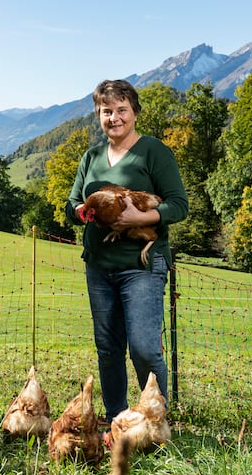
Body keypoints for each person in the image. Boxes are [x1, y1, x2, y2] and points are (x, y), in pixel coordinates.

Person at [66, 79, 188, 427]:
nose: (114, 117)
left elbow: (179, 205)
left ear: (134, 112)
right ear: (98, 115)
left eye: (122, 109)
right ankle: (116, 418)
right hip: (99, 265)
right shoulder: (90, 157)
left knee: (145, 347)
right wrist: (81, 211)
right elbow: (72, 204)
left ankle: (155, 417)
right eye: (107, 111)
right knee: (108, 347)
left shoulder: (154, 152)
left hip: (141, 265)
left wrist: (141, 217)